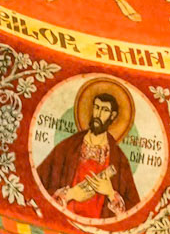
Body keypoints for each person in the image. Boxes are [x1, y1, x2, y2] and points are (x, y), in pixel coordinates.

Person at [35, 83, 140, 221]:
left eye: (104, 110)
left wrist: (110, 193)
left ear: (113, 116)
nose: (98, 114)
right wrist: (70, 194)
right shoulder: (69, 146)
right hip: (66, 221)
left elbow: (134, 214)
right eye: (96, 107)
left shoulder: (119, 159)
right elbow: (37, 186)